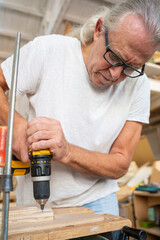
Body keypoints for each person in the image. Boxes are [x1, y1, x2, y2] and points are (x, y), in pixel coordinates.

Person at [0, 0, 160, 239]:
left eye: (130, 67)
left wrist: (67, 152)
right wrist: (17, 125)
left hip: (97, 202)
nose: (116, 75)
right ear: (99, 29)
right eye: (114, 57)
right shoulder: (49, 50)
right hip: (35, 202)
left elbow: (120, 163)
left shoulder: (138, 87)